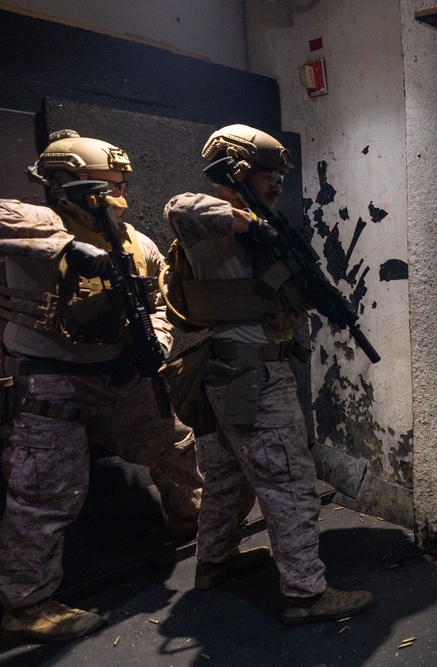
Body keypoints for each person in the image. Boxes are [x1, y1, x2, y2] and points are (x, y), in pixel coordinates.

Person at [162, 124, 372, 626]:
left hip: (243, 373)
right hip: (250, 376)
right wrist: (245, 223)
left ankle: (214, 562)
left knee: (231, 477)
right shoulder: (208, 221)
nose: (277, 184)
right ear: (235, 171)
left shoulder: (265, 224)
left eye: (279, 175)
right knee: (292, 484)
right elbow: (178, 207)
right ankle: (306, 594)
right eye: (266, 175)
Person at [0, 130, 203, 642]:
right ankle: (25, 604)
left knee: (175, 444)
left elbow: (161, 304)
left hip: (122, 371)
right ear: (64, 186)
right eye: (105, 187)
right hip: (51, 380)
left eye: (121, 185)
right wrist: (66, 248)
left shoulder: (138, 243)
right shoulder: (35, 225)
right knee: (43, 493)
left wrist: (155, 339)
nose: (119, 199)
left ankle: (190, 524)